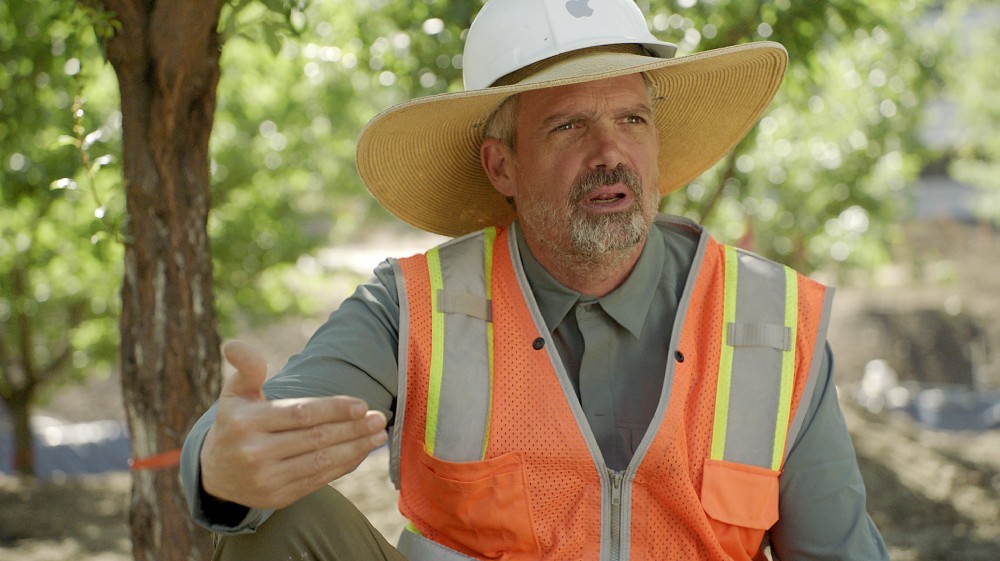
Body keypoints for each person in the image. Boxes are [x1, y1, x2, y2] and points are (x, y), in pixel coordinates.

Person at [181, 0, 890, 559]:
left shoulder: (773, 321)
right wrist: (221, 465)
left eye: (632, 119)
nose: (611, 152)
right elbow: (268, 427)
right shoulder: (413, 307)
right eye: (568, 126)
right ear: (502, 167)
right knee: (278, 525)